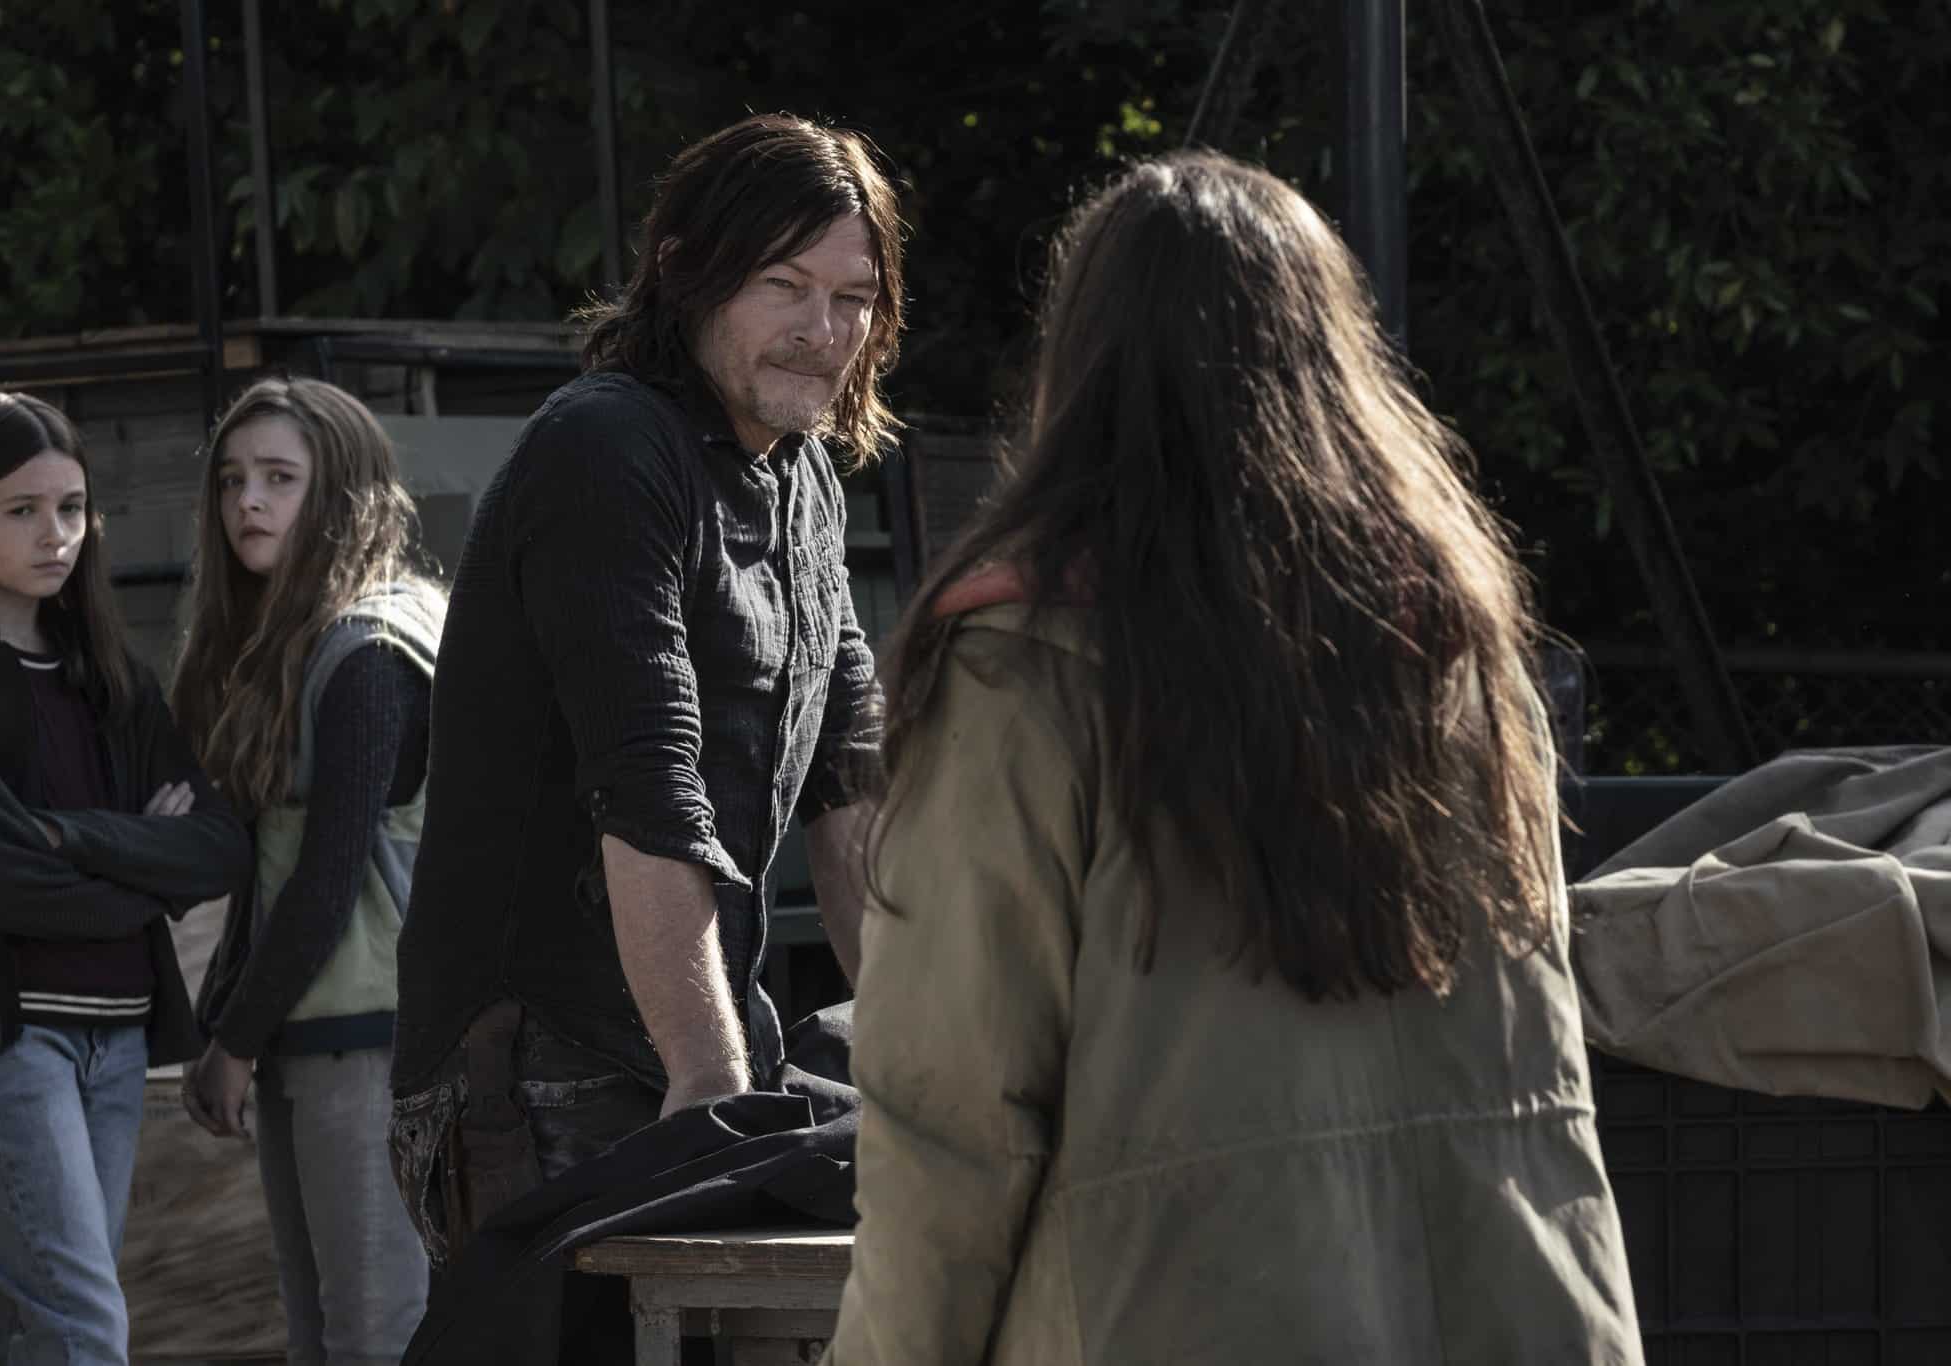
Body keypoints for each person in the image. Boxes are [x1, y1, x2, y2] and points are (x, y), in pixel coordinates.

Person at [825, 151, 1645, 1363]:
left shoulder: (1025, 667)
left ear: (1082, 367)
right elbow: (1541, 1055)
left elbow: (948, 1119)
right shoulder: (1452, 644)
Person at [388, 111, 900, 1297]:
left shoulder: (804, 475)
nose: (823, 331)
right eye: (783, 285)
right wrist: (708, 1085)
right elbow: (646, 785)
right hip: (534, 1057)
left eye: (853, 297)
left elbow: (852, 787)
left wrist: (915, 1052)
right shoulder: (606, 447)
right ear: (684, 271)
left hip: (690, 1036)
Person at [0, 391, 250, 1366]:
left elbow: (217, 846)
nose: (55, 533)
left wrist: (64, 835)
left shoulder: (109, 672)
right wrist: (141, 864)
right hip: (9, 1037)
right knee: (81, 1323)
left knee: (45, 1320)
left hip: (118, 1033)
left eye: (71, 507)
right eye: (22, 510)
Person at [171, 377, 443, 1366]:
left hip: (366, 1041)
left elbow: (325, 883)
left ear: (342, 492)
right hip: (313, 1031)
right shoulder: (296, 646)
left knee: (372, 1333)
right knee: (319, 1333)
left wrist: (231, 1043)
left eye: (279, 478)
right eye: (232, 479)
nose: (247, 500)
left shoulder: (368, 652)